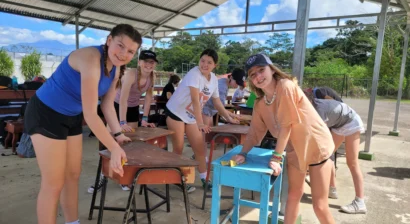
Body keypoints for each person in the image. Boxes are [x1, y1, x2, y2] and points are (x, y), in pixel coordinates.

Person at [24, 24, 140, 224]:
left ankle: (72, 222)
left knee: (73, 175)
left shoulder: (117, 67)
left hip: (72, 116)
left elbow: (106, 105)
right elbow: (91, 113)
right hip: (46, 113)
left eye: (130, 51)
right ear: (109, 40)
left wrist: (118, 134)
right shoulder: (91, 58)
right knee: (53, 183)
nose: (123, 54)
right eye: (120, 46)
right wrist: (113, 148)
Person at [232, 54, 336, 224]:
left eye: (261, 70)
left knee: (319, 206)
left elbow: (287, 125)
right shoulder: (260, 103)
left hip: (316, 146)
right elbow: (255, 133)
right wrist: (243, 153)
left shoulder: (285, 86)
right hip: (294, 150)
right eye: (253, 74)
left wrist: (276, 157)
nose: (258, 76)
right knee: (293, 196)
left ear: (272, 69)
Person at [165, 49, 239, 193]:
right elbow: (195, 100)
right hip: (176, 113)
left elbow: (217, 102)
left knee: (199, 148)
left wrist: (229, 117)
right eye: (202, 60)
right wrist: (200, 123)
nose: (205, 64)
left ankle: (205, 178)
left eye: (209, 62)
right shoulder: (194, 73)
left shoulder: (214, 80)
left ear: (215, 65)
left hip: (191, 117)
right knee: (178, 148)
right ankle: (177, 179)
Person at [87, 50, 157, 193]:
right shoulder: (131, 74)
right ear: (139, 62)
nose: (148, 65)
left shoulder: (152, 76)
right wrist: (122, 122)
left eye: (151, 62)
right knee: (109, 143)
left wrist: (144, 119)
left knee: (129, 144)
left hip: (133, 108)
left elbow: (149, 98)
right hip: (117, 106)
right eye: (145, 61)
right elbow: (123, 98)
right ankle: (102, 177)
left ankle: (124, 177)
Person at [308, 97, 366, 214]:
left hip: (351, 122)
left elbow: (319, 136)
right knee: (327, 155)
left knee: (352, 163)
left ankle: (360, 202)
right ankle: (332, 189)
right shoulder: (312, 106)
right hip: (338, 125)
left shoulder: (318, 109)